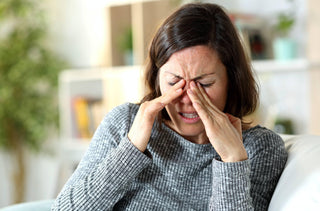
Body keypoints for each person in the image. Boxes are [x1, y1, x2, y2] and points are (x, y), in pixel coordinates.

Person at [52, 3, 287, 210]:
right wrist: (130, 151)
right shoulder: (125, 122)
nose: (188, 98)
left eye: (204, 83)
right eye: (174, 82)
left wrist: (232, 159)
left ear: (232, 80)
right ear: (157, 77)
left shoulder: (259, 148)